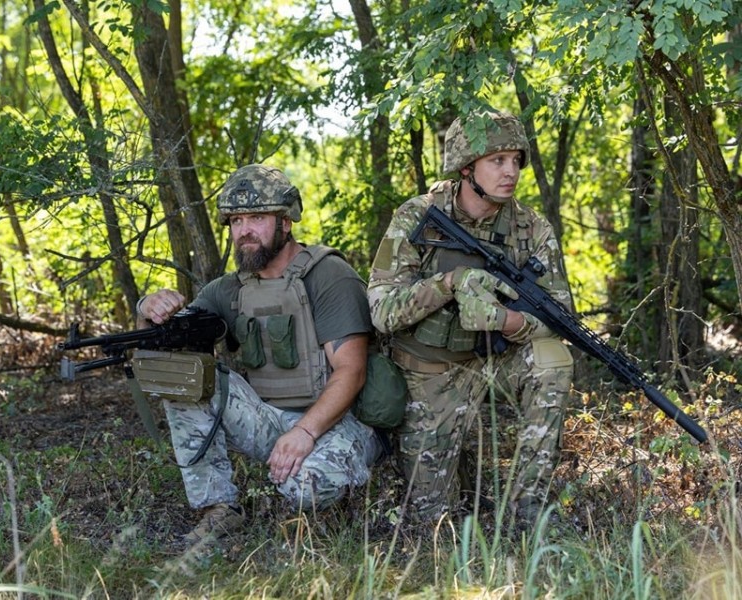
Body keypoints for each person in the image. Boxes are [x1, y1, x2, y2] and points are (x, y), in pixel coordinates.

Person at [137, 164, 382, 541]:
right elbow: (166, 343)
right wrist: (148, 308)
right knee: (187, 377)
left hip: (338, 422)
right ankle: (219, 507)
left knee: (305, 489)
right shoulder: (228, 289)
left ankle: (342, 508)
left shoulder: (329, 276)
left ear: (286, 222)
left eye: (257, 217)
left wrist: (304, 432)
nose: (245, 230)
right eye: (236, 220)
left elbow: (352, 371)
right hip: (268, 417)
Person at [367, 110, 574, 527]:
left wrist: (511, 323)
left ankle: (528, 506)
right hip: (429, 374)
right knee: (431, 520)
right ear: (466, 167)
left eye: (516, 160)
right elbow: (382, 312)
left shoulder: (530, 228)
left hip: (495, 363)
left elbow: (562, 313)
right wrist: (449, 284)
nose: (511, 172)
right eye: (497, 161)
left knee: (553, 360)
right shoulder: (417, 216)